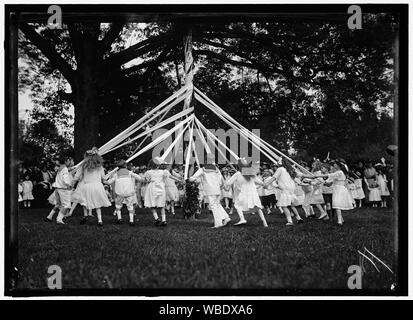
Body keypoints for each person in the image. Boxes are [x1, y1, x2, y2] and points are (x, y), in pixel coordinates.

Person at [72, 148, 111, 226]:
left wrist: (72, 184)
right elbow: (104, 178)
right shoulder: (100, 166)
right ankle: (100, 220)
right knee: (98, 204)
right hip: (98, 186)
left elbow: (76, 177)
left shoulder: (83, 166)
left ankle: (85, 216)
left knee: (84, 202)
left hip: (87, 186)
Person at [189, 157, 231, 228]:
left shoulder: (202, 169)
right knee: (217, 204)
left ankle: (218, 223)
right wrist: (222, 186)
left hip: (210, 190)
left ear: (205, 161)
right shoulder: (216, 169)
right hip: (217, 189)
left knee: (213, 206)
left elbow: (193, 178)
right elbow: (221, 178)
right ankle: (226, 218)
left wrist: (188, 179)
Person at [225, 158, 268, 227]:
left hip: (244, 192)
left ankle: (242, 219)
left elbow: (228, 183)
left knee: (237, 205)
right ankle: (265, 223)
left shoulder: (238, 174)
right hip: (253, 192)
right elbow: (258, 181)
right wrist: (264, 184)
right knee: (258, 207)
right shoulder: (250, 173)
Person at [105, 159, 144, 226]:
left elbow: (109, 182)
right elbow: (139, 178)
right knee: (130, 206)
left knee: (118, 205)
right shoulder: (129, 172)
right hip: (129, 192)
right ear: (125, 165)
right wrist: (143, 179)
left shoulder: (116, 174)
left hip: (120, 193)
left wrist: (102, 181)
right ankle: (131, 220)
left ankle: (119, 218)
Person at [144, 157, 181, 227]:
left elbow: (146, 180)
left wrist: (148, 180)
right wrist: (179, 180)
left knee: (152, 205)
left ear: (151, 165)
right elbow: (171, 177)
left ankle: (157, 218)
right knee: (162, 206)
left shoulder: (148, 172)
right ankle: (164, 221)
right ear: (158, 165)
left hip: (152, 188)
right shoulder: (163, 172)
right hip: (161, 188)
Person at [265, 158, 296, 226]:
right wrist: (314, 176)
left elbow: (274, 177)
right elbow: (300, 175)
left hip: (285, 189)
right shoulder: (289, 169)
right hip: (291, 189)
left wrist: (266, 183)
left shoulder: (280, 169)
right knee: (289, 204)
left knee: (284, 205)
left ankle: (290, 221)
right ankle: (297, 217)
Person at [44, 156, 73, 224]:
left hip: (57, 189)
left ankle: (49, 217)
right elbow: (65, 178)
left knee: (58, 204)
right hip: (63, 189)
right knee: (67, 205)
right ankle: (59, 219)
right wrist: (69, 185)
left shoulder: (59, 168)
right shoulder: (65, 169)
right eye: (68, 160)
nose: (69, 162)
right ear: (65, 161)